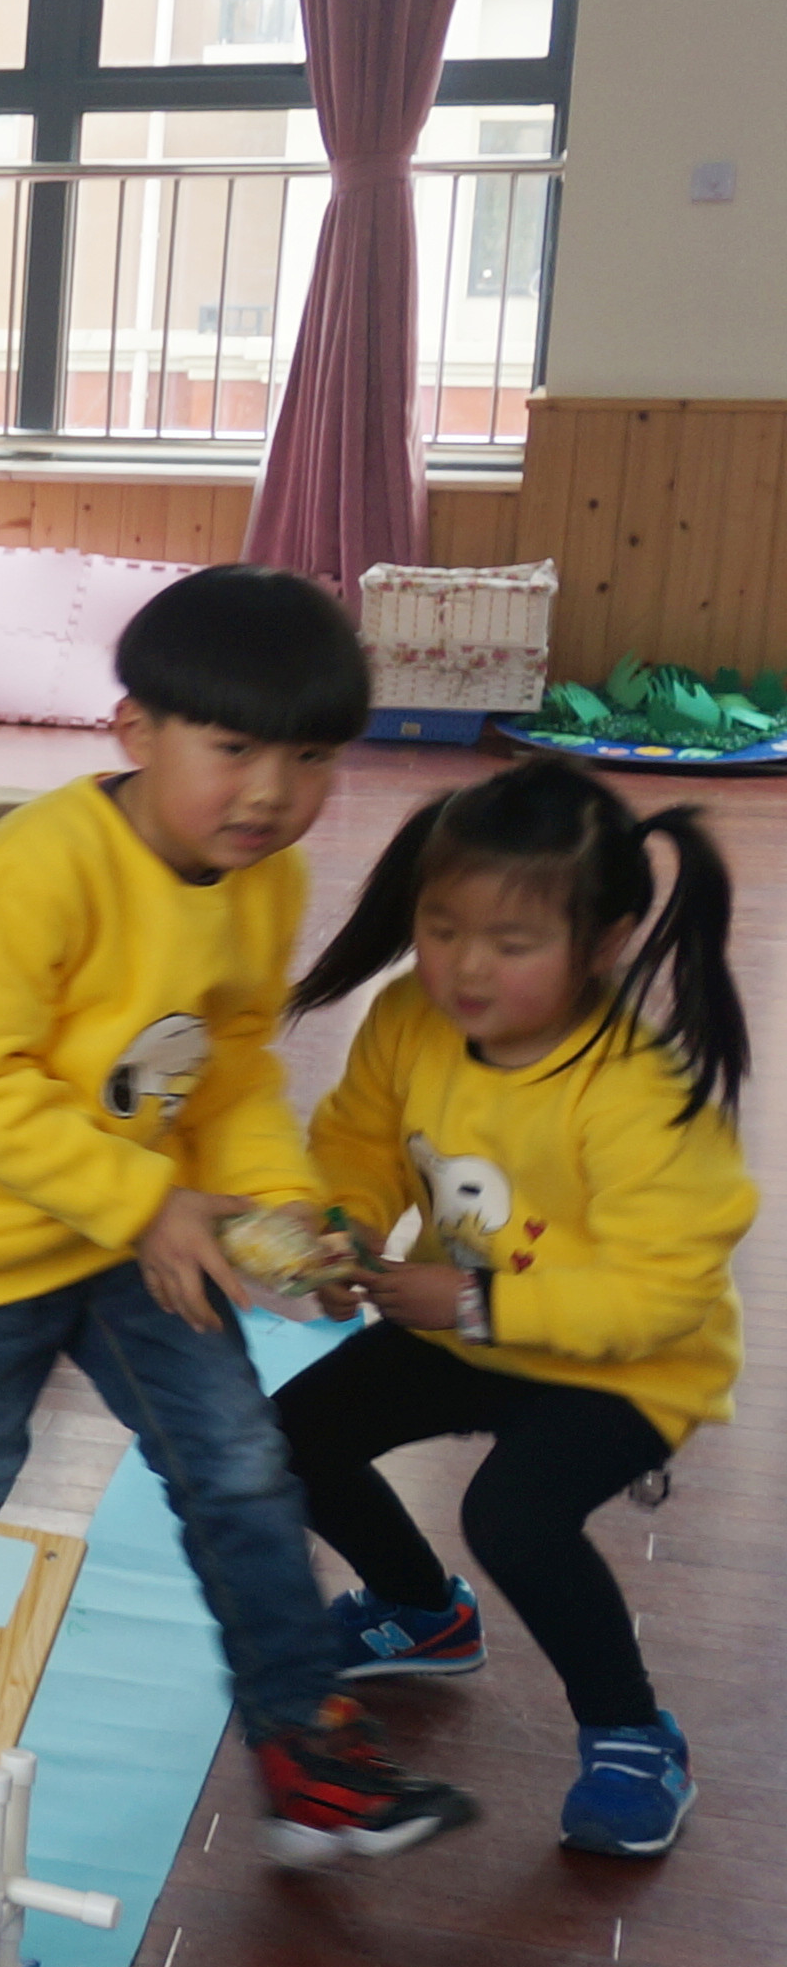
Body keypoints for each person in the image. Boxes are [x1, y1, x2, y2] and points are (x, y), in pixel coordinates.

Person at [0, 566, 474, 1866]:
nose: (271, 792)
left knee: (240, 1460)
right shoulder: (21, 879)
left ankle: (303, 1740)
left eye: (311, 758)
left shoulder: (262, 882)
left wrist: (280, 1210)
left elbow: (231, 1066)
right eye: (234, 749)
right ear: (135, 729)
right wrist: (151, 1200)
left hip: (147, 1231)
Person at [277, 758, 752, 1858]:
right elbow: (355, 1138)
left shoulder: (641, 1092)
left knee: (513, 1517)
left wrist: (474, 1300)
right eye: (442, 930)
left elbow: (663, 1292)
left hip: (628, 1363)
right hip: (464, 1322)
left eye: (511, 942)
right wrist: (344, 1226)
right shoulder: (407, 1015)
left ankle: (633, 1733)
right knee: (283, 1439)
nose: (464, 967)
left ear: (606, 940)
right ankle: (420, 1610)